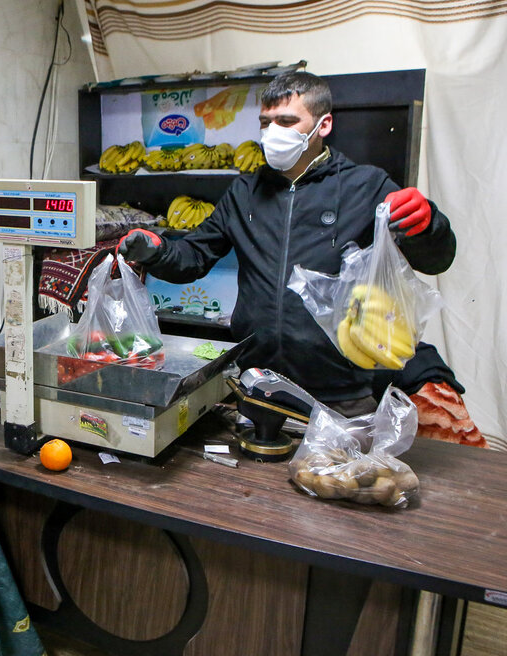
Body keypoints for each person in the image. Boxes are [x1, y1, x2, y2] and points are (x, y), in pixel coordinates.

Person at [118, 71, 456, 415]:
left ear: (323, 126)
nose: (272, 132)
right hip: (258, 385)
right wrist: (158, 250)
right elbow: (195, 255)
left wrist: (430, 226)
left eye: (287, 120)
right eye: (266, 122)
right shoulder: (245, 192)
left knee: (337, 470)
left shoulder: (365, 186)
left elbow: (436, 261)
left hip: (341, 392)